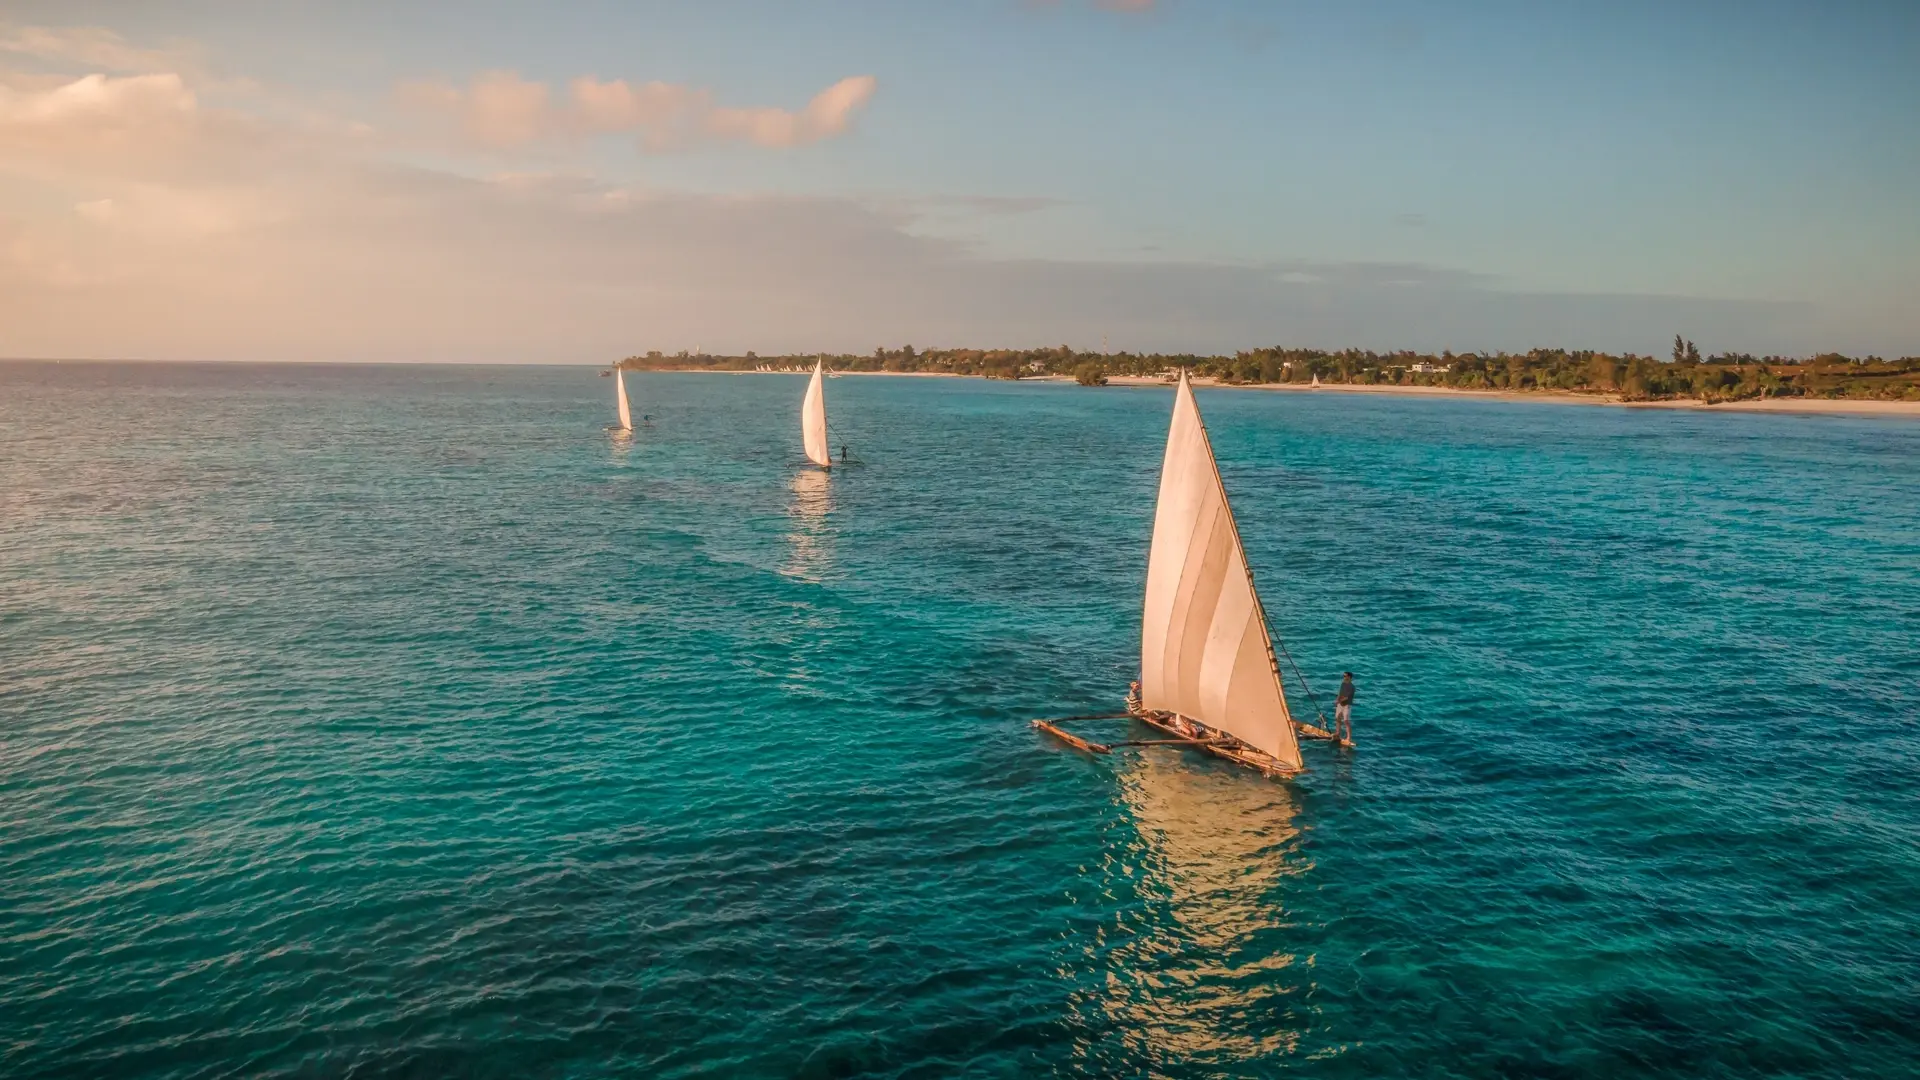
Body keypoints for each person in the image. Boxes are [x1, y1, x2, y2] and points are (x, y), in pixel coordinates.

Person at [1334, 672, 1355, 744]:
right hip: (1340, 704)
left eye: (1345, 676)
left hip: (1347, 705)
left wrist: (1338, 701)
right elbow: (1340, 693)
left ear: (1349, 677)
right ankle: (1337, 733)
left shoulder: (1352, 687)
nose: (1343, 677)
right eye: (1343, 676)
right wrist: (1337, 700)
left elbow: (1346, 697)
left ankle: (1348, 738)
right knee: (1337, 718)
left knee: (1346, 721)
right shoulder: (1342, 684)